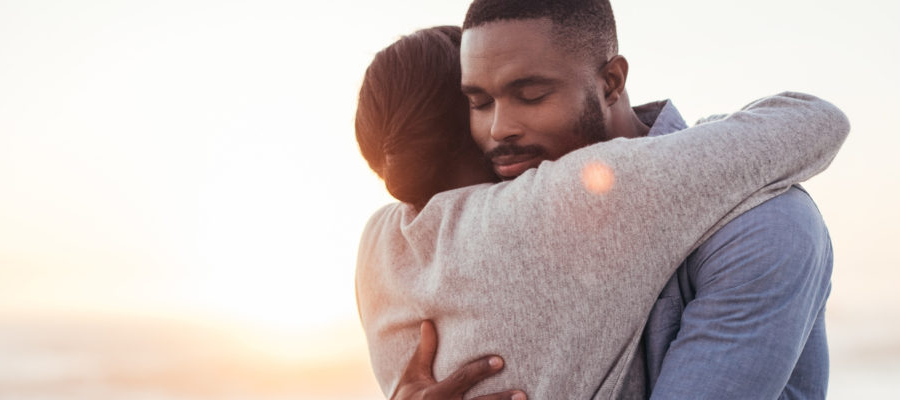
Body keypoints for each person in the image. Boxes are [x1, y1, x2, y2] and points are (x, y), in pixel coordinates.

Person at [355, 26, 846, 400]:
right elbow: (813, 121)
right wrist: (712, 131)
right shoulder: (564, 201)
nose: (504, 121)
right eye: (481, 99)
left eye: (525, 93)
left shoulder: (377, 246)